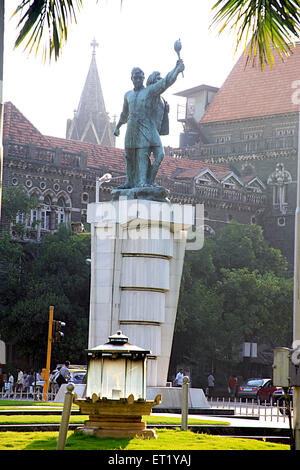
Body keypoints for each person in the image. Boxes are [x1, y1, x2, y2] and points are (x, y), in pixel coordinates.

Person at [114, 58, 184, 189]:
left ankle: (143, 182)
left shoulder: (149, 91)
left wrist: (177, 70)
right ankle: (129, 182)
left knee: (142, 155)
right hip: (131, 127)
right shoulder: (127, 95)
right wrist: (117, 127)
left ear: (143, 78)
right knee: (129, 156)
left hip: (144, 127)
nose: (138, 80)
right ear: (132, 79)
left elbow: (166, 82)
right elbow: (124, 113)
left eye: (141, 78)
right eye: (136, 77)